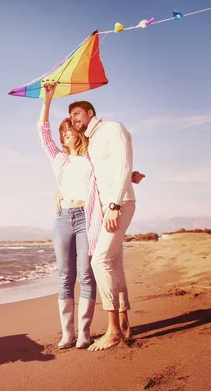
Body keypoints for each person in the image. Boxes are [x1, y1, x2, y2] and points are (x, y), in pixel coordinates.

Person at [38, 83, 144, 349]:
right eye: (62, 131)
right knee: (66, 274)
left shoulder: (91, 155)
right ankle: (69, 333)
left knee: (89, 271)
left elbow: (110, 171)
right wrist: (47, 101)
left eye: (69, 129)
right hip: (64, 217)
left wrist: (129, 177)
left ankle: (86, 332)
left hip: (90, 215)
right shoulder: (59, 160)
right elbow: (43, 133)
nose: (65, 134)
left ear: (80, 125)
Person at [67, 97, 138, 351]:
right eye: (71, 116)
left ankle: (113, 331)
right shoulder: (93, 140)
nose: (74, 119)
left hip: (117, 206)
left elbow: (123, 163)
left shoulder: (112, 128)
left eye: (77, 113)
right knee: (114, 262)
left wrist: (114, 205)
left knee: (99, 261)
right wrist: (131, 177)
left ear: (90, 112)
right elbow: (110, 171)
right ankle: (124, 322)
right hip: (109, 207)